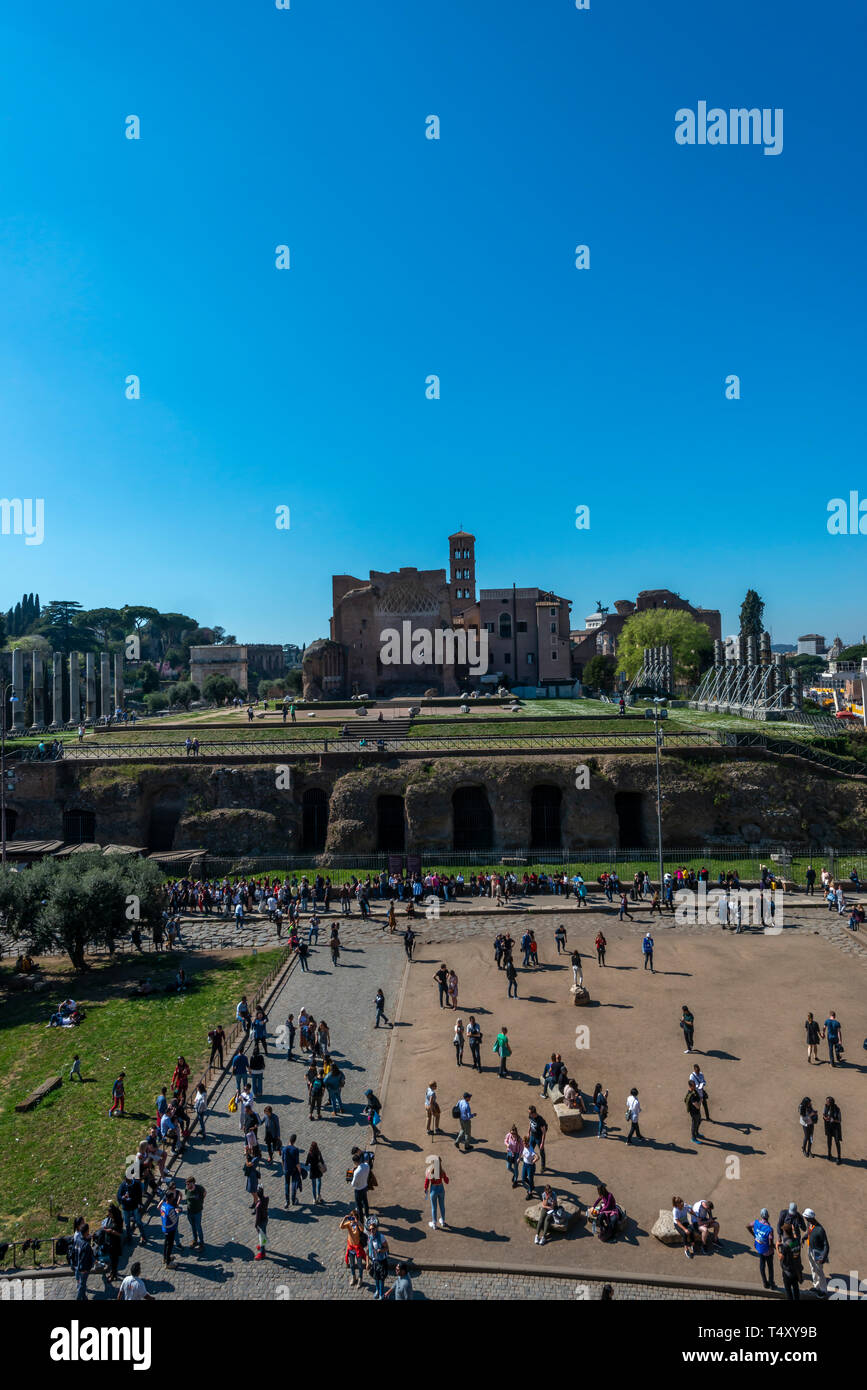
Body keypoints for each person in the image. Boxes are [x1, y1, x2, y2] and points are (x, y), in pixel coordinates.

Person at [802, 1208, 829, 1297]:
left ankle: (823, 1291)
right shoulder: (809, 1224)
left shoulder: (820, 1230)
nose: (804, 1218)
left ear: (810, 1218)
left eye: (805, 1217)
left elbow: (826, 1245)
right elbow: (809, 1232)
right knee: (813, 1268)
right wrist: (804, 1237)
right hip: (810, 1249)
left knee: (819, 1272)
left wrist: (823, 1257)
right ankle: (816, 1286)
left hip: (818, 1253)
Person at [748, 1207, 776, 1289]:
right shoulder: (769, 1229)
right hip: (768, 1251)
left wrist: (754, 1235)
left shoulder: (756, 1223)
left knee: (762, 1266)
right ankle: (771, 1284)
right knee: (770, 1267)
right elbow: (770, 1242)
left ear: (761, 1216)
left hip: (760, 1248)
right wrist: (774, 1246)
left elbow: (747, 1226)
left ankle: (765, 1282)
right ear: (768, 1216)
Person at [340, 1210, 367, 1289]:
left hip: (357, 1247)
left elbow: (362, 1229)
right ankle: (354, 1277)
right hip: (351, 1247)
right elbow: (341, 1227)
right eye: (351, 1217)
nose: (353, 1219)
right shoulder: (349, 1224)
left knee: (359, 1265)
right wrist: (344, 1219)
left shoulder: (358, 1225)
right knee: (351, 1265)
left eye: (354, 1217)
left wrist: (357, 1222)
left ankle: (360, 1279)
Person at [777, 1221, 803, 1301]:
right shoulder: (797, 1241)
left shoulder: (785, 1245)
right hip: (796, 1270)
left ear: (785, 1232)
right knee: (796, 1289)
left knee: (788, 1291)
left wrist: (777, 1247)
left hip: (787, 1271)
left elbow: (781, 1257)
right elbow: (795, 1238)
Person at [366, 1216, 390, 1298]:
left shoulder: (381, 1237)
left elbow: (387, 1248)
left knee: (381, 1278)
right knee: (376, 1277)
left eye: (373, 1229)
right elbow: (367, 1250)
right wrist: (367, 1262)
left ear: (376, 1228)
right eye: (370, 1229)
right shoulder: (369, 1238)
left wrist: (381, 1250)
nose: (371, 1230)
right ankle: (377, 1290)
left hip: (382, 1260)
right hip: (374, 1261)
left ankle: (381, 1293)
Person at [425, 1153, 449, 1229]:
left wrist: (425, 1189)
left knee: (434, 1207)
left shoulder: (430, 1172)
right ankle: (443, 1221)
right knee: (442, 1206)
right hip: (441, 1189)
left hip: (433, 1190)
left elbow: (426, 1182)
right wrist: (446, 1177)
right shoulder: (442, 1171)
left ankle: (434, 1223)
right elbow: (447, 1181)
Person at [159, 1190, 180, 1268]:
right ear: (170, 1198)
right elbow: (174, 1220)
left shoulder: (163, 1205)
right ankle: (168, 1263)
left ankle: (165, 1258)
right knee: (170, 1245)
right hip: (170, 1229)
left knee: (166, 1243)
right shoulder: (170, 1209)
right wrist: (177, 1212)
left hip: (164, 1227)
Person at [185, 1176, 206, 1250]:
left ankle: (201, 1243)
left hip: (197, 1212)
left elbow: (204, 1192)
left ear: (193, 1183)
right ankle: (195, 1240)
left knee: (198, 1227)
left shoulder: (199, 1188)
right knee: (193, 1227)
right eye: (186, 1184)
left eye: (188, 1184)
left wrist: (201, 1201)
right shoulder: (187, 1189)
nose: (187, 1186)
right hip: (189, 1212)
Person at [349, 1148, 371, 1218]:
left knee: (359, 1206)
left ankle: (361, 1221)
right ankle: (367, 1217)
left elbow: (353, 1184)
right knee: (365, 1203)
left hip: (358, 1190)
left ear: (355, 1162)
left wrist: (351, 1180)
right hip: (365, 1187)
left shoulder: (356, 1172)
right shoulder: (367, 1166)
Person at [282, 1133, 302, 1207]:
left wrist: (283, 1168)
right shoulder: (295, 1150)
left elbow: (283, 1160)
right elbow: (297, 1163)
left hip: (286, 1169)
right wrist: (299, 1170)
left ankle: (287, 1201)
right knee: (294, 1184)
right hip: (293, 1169)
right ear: (295, 1141)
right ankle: (293, 1199)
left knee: (287, 1184)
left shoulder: (284, 1149)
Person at [527, 1105, 548, 1172]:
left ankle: (543, 1166)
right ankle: (530, 1163)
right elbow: (530, 1123)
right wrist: (528, 1132)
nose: (529, 1114)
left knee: (541, 1152)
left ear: (534, 1113)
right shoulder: (530, 1116)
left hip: (539, 1138)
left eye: (530, 1113)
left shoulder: (540, 1120)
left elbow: (544, 1132)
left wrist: (542, 1143)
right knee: (530, 1150)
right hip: (532, 1136)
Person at [823, 1095, 842, 1163]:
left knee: (837, 1142)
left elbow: (839, 1120)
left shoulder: (837, 1109)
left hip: (835, 1128)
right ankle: (829, 1154)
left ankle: (839, 1157)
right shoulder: (826, 1107)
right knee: (829, 1141)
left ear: (831, 1102)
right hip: (828, 1127)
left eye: (827, 1101)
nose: (826, 1102)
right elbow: (824, 1114)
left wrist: (833, 1120)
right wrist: (826, 1118)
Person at [254, 1186, 270, 1260]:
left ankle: (262, 1253)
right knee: (263, 1234)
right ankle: (261, 1246)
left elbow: (257, 1217)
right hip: (265, 1219)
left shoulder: (258, 1205)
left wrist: (256, 1225)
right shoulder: (266, 1199)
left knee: (262, 1236)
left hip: (261, 1222)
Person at [685, 1080, 703, 1144]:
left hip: (697, 1112)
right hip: (694, 1112)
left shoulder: (694, 1091)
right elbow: (697, 1106)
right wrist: (701, 1100)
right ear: (690, 1086)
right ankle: (693, 1138)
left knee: (699, 1121)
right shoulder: (691, 1096)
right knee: (694, 1124)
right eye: (693, 1086)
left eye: (695, 1085)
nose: (695, 1086)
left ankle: (697, 1133)